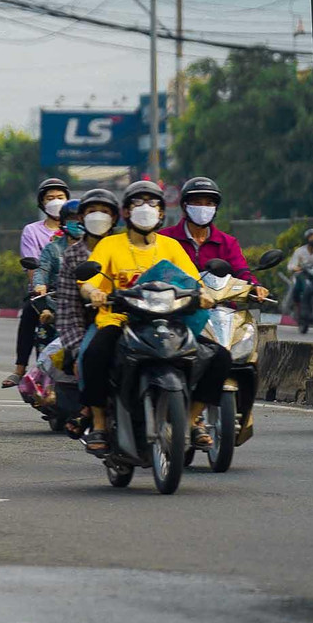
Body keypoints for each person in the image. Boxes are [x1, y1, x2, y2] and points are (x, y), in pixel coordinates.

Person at [77, 181, 226, 454]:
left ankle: (193, 421)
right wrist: (94, 292)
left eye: (153, 203)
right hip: (119, 321)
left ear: (161, 213)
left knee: (219, 356)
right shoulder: (111, 244)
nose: (145, 209)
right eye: (138, 203)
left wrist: (204, 294)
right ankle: (98, 423)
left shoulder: (170, 246)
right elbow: (89, 283)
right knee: (93, 355)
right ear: (125, 212)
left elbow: (193, 281)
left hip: (170, 321)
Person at [54, 189, 121, 430]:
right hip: (95, 324)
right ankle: (94, 414)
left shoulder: (124, 246)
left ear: (115, 218)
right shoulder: (72, 256)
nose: (98, 216)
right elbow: (67, 309)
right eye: (92, 211)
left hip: (133, 320)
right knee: (89, 357)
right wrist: (76, 348)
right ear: (81, 218)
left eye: (104, 212)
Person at [6, 198, 82, 388]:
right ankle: (37, 379)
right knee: (39, 324)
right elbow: (41, 270)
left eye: (82, 218)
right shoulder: (53, 248)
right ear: (63, 222)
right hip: (58, 301)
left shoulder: (99, 247)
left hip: (89, 303)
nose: (78, 223)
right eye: (73, 218)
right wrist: (40, 285)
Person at [160, 177, 268, 297]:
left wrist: (254, 285)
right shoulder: (165, 239)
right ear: (185, 206)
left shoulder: (227, 242)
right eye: (197, 203)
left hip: (222, 309)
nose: (203, 207)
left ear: (215, 208)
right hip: (177, 307)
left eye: (209, 203)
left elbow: (241, 271)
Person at [287, 227, 313, 311]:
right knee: (296, 288)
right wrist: (298, 268)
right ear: (307, 239)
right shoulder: (300, 251)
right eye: (311, 238)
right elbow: (291, 265)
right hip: (302, 275)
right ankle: (296, 304)